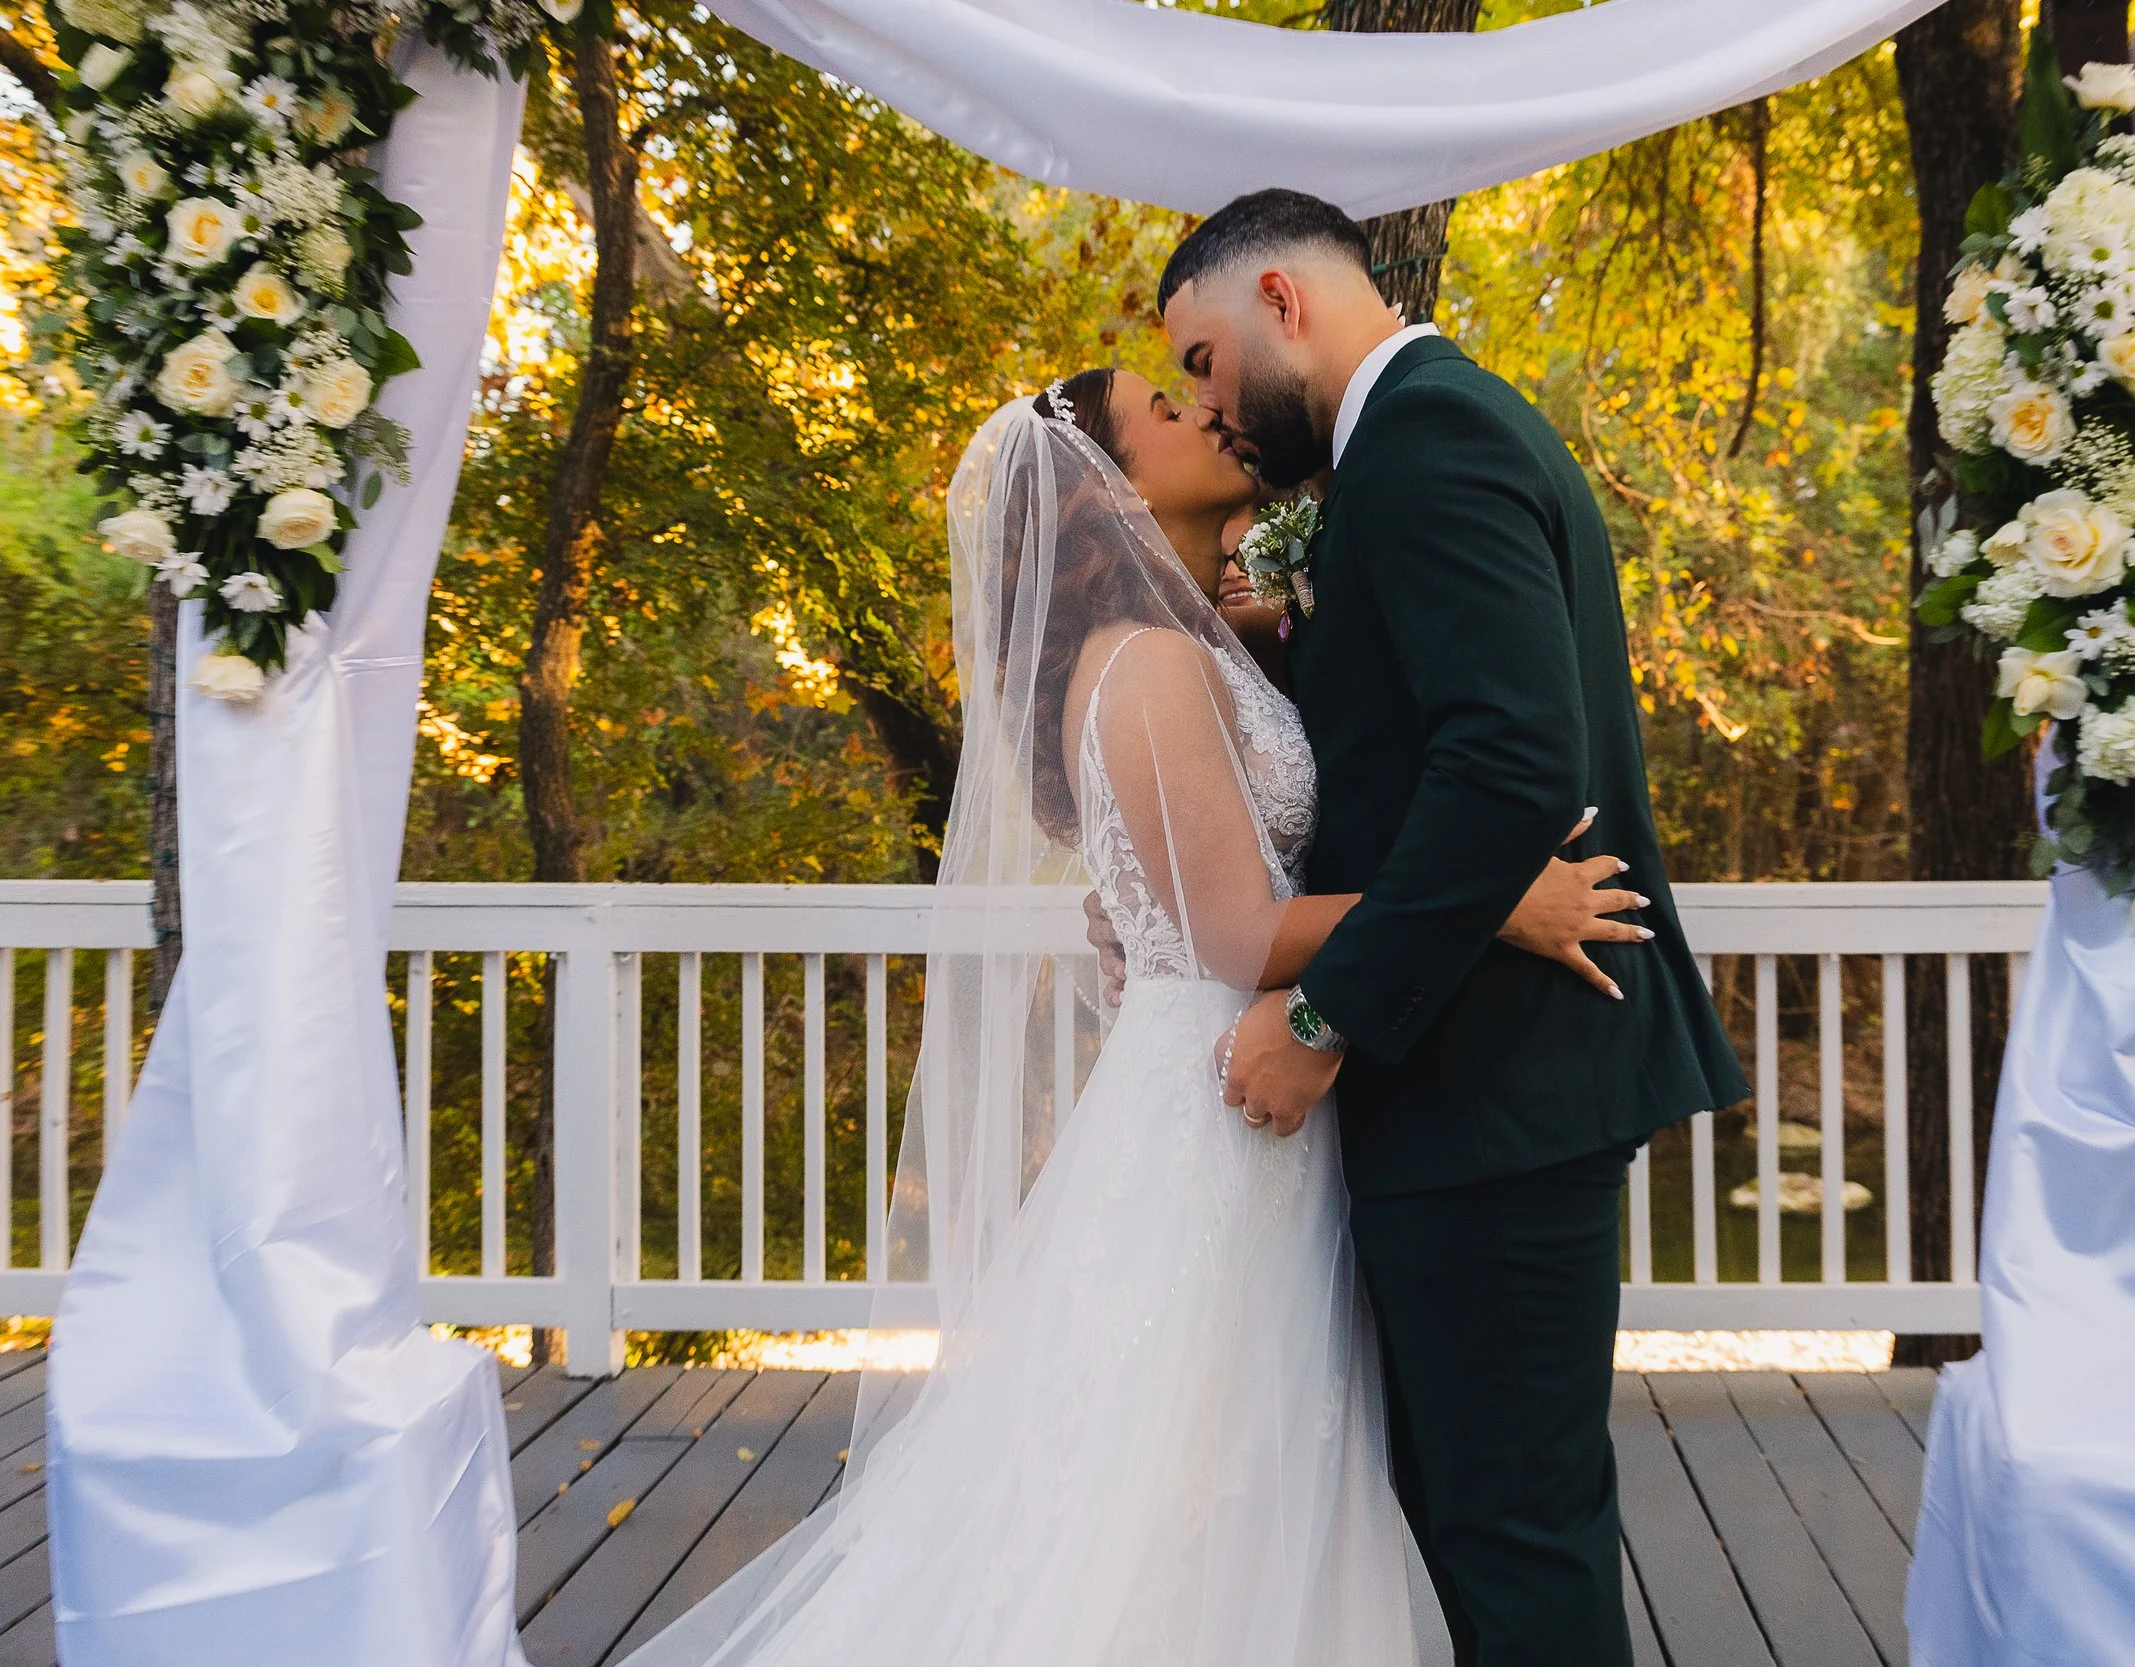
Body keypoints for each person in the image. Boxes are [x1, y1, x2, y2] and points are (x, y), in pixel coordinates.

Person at [617, 361, 1646, 1667]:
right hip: (1217, 1101)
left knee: (1242, 1465)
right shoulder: (1148, 661)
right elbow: (1233, 935)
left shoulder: (1198, 640)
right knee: (1194, 1478)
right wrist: (1489, 895)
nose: (1202, 410)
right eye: (1163, 409)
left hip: (1237, 1083)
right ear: (1107, 484)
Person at [1160, 188, 1749, 1667]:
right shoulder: (1407, 449)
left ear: (1283, 302)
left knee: (1512, 1548)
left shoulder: (1435, 441)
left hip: (1498, 1090)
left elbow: (1509, 762)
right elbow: (1411, 746)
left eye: (1207, 362)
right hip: (1477, 1084)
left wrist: (1321, 1014)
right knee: (1470, 1529)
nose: (1210, 410)